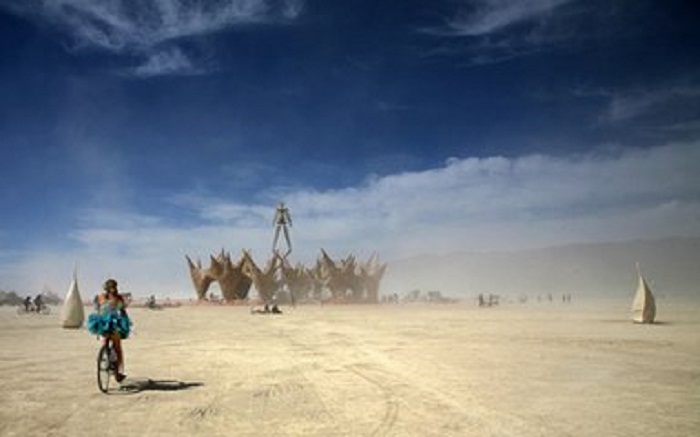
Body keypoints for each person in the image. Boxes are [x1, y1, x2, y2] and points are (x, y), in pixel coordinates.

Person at [87, 279, 131, 382]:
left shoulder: (99, 297)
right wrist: (125, 321)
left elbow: (97, 309)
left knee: (110, 344)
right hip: (111, 323)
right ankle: (118, 372)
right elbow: (122, 311)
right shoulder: (117, 298)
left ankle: (115, 368)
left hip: (102, 323)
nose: (114, 289)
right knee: (117, 348)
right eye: (113, 287)